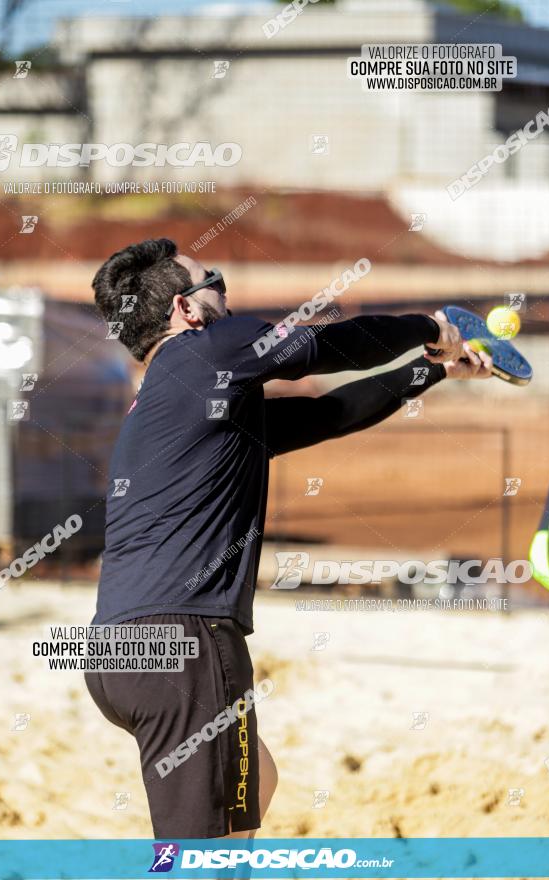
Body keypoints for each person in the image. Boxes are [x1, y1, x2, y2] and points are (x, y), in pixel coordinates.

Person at [85, 238, 492, 840]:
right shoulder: (207, 350)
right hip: (185, 640)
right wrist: (430, 326)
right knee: (198, 858)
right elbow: (331, 345)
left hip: (121, 648)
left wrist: (429, 368)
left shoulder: (183, 394)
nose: (224, 287)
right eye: (212, 280)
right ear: (185, 311)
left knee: (254, 788)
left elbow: (328, 415)